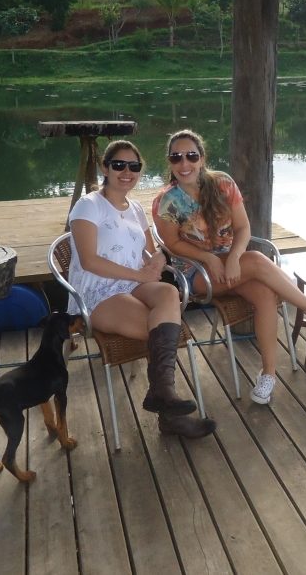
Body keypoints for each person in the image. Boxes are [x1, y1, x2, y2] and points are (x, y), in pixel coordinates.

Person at [152, 129, 306, 405]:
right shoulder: (167, 201)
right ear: (169, 162)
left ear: (202, 158)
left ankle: (268, 374)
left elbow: (243, 228)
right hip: (197, 274)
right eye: (176, 157)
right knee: (258, 261)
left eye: (191, 155)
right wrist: (210, 259)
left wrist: (234, 257)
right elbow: (173, 244)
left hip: (235, 269)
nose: (184, 163)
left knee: (265, 294)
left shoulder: (223, 184)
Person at [67, 140, 215, 439]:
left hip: (134, 285)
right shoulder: (89, 205)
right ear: (105, 168)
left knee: (169, 293)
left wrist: (159, 257)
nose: (127, 172)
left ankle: (163, 396)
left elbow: (151, 250)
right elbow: (89, 260)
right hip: (99, 292)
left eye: (133, 166)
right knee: (159, 331)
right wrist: (139, 274)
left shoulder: (135, 208)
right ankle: (168, 410)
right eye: (119, 165)